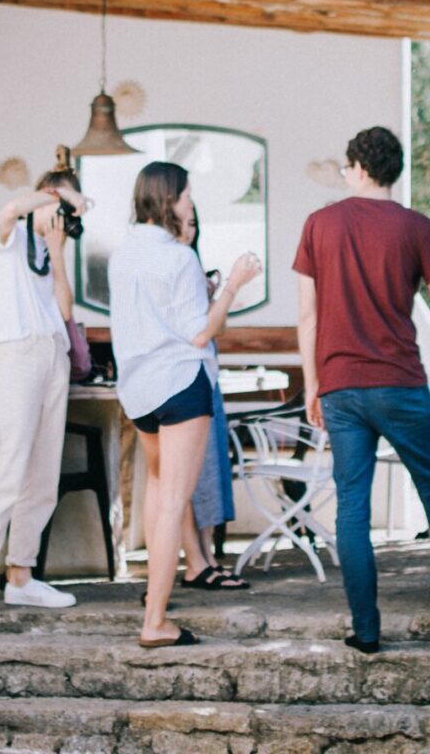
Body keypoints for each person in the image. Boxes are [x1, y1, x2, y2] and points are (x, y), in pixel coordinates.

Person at [293, 126, 430, 655]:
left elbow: (307, 318)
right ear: (394, 171)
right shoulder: (416, 227)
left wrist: (313, 384)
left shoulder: (319, 225)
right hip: (400, 383)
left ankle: (366, 630)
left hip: (341, 388)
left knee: (352, 504)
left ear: (356, 167)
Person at [110, 162, 261, 648]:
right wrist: (234, 284)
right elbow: (202, 331)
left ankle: (156, 605)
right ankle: (155, 620)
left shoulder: (122, 255)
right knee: (175, 500)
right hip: (180, 383)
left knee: (158, 494)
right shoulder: (180, 258)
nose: (190, 203)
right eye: (186, 195)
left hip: (138, 390)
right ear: (167, 199)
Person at [0, 174, 91, 636]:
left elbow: (65, 310)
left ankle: (21, 575)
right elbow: (9, 209)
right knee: (7, 466)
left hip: (53, 353)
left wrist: (60, 248)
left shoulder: (45, 251)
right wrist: (57, 197)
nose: (63, 215)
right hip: (17, 352)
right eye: (57, 203)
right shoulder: (7, 239)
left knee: (43, 473)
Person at [181, 205, 244, 589]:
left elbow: (212, 326)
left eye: (194, 224)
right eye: (185, 223)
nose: (189, 231)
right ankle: (195, 561)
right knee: (189, 472)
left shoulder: (190, 262)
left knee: (210, 467)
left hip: (207, 373)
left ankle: (205, 554)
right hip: (187, 375)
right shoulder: (175, 263)